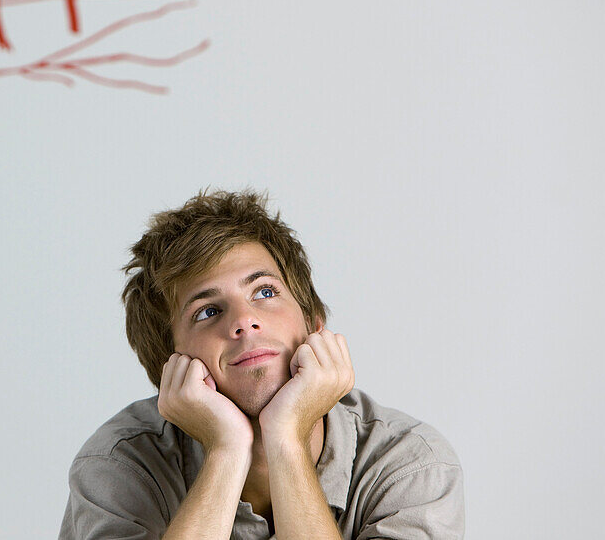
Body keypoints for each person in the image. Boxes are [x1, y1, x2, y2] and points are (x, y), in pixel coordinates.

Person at [58, 189, 464, 539]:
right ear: (170, 367)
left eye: (265, 291)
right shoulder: (116, 467)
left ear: (314, 323)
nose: (243, 321)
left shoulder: (412, 466)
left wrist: (286, 437)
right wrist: (226, 451)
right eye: (207, 311)